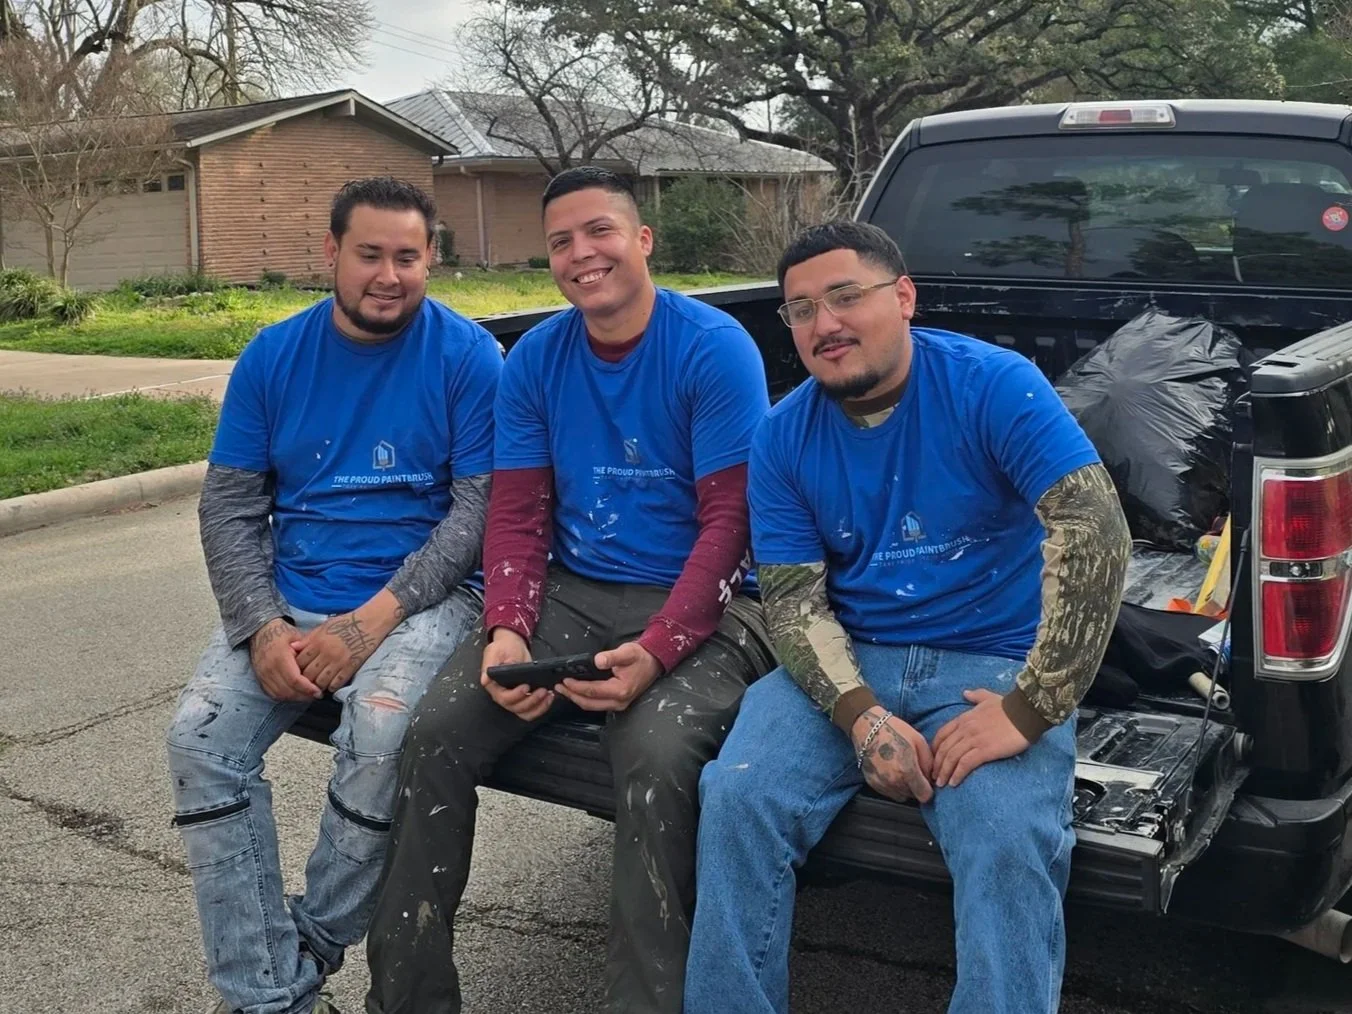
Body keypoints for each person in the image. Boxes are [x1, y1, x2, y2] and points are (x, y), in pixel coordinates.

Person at [684, 221, 1132, 1014]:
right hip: (854, 658)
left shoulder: (994, 384)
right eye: (800, 310)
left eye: (846, 296)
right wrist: (861, 719)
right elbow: (792, 601)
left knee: (1003, 840)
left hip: (990, 663)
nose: (825, 325)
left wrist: (1032, 709)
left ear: (904, 297)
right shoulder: (783, 436)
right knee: (738, 799)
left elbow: (1093, 529)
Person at [364, 166, 777, 1014]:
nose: (583, 255)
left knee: (656, 761)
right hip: (574, 591)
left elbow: (731, 526)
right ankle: (406, 998)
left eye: (600, 232)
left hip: (710, 596)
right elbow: (516, 513)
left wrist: (658, 652)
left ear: (643, 240)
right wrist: (509, 628)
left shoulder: (714, 348)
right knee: (433, 732)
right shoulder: (538, 360)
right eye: (561, 242)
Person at [166, 176, 503, 1014]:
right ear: (331, 254)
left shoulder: (469, 357)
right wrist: (260, 626)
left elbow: (478, 513)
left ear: (431, 260)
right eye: (369, 254)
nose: (387, 275)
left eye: (407, 257)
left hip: (424, 601)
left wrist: (372, 623)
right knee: (199, 745)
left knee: (383, 728)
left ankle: (309, 942)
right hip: (293, 592)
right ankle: (271, 996)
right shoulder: (273, 356)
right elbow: (232, 505)